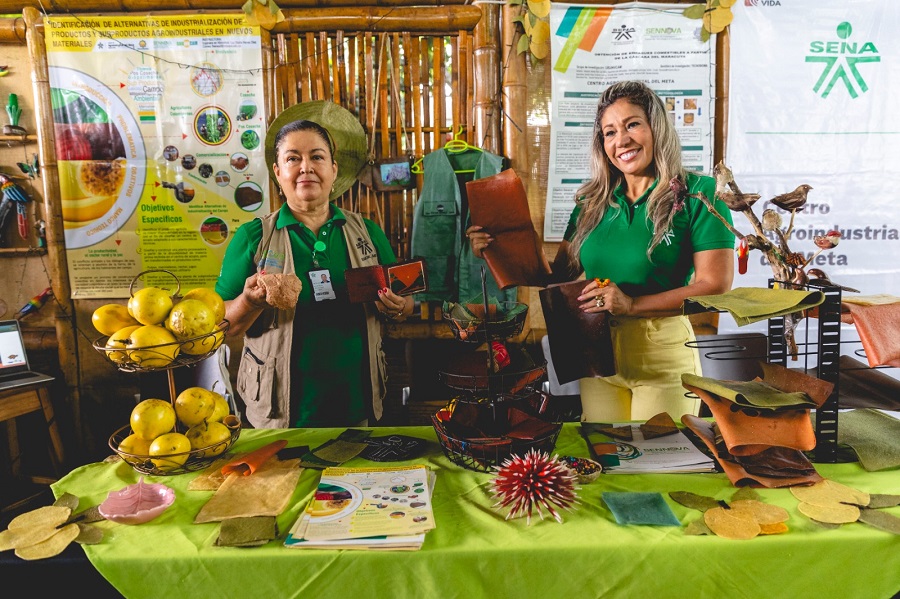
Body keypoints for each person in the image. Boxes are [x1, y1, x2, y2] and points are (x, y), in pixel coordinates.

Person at [468, 80, 735, 422]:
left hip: (661, 354)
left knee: (656, 465)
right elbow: (557, 277)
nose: (621, 140)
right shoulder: (592, 201)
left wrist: (632, 304)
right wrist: (499, 247)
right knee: (606, 460)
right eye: (609, 132)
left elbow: (715, 286)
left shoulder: (699, 193)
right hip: (596, 353)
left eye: (632, 124)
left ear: (656, 127)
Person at [216, 116, 412, 429]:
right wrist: (250, 302)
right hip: (278, 414)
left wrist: (400, 307)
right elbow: (220, 325)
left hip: (357, 406)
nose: (306, 167)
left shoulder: (367, 233)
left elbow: (404, 302)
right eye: (293, 158)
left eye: (317, 157)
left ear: (334, 170)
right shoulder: (253, 238)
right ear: (278, 172)